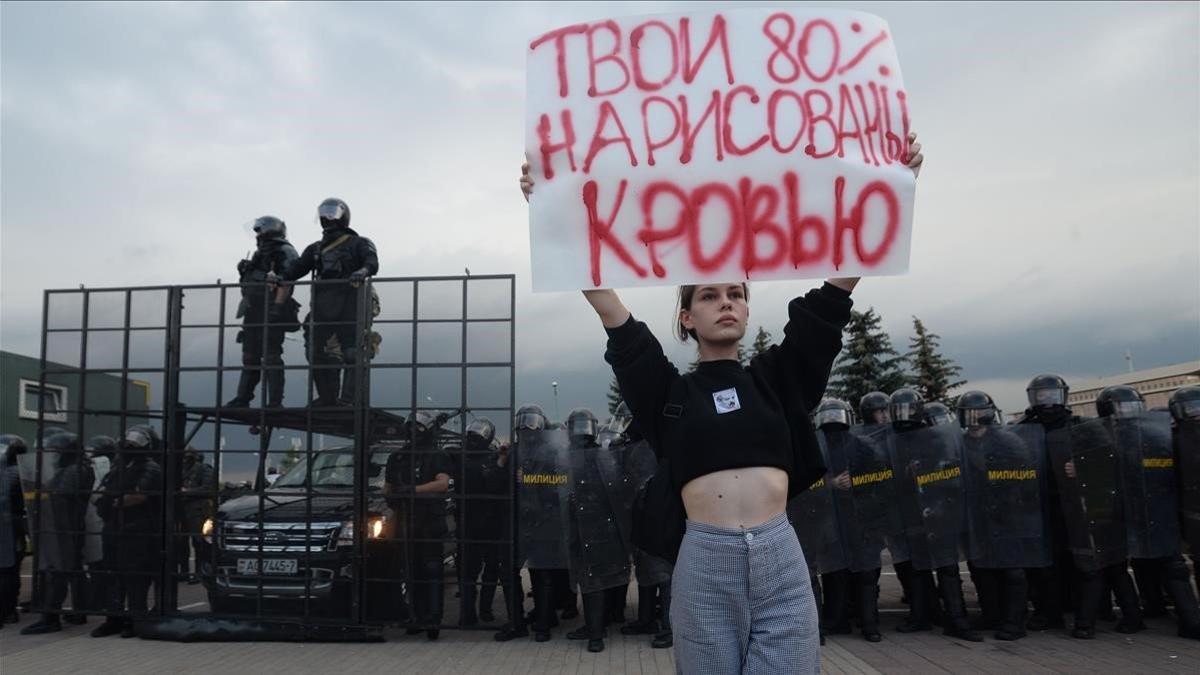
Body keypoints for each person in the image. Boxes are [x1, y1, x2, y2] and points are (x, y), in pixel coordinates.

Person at [272, 198, 378, 406]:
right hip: (323, 304)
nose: (327, 218)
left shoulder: (360, 243)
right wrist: (279, 276)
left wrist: (361, 271)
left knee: (352, 351)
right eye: (324, 213)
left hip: (351, 300)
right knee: (313, 350)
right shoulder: (315, 249)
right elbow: (297, 269)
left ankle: (350, 399)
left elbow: (372, 263)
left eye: (331, 213)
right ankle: (327, 398)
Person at [1016, 374, 1079, 632]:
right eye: (1041, 395)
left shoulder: (1076, 426)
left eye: (1052, 394)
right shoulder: (1024, 427)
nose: (1047, 400)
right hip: (1036, 502)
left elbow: (1100, 456)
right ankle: (1046, 611)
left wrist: (1081, 467)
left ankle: (1077, 605)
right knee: (1042, 563)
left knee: (1073, 558)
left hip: (1071, 502)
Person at [90, 426, 163, 639]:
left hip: (137, 529)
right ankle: (114, 619)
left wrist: (113, 502)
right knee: (113, 575)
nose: (128, 446)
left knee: (135, 578)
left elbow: (140, 495)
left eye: (133, 443)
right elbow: (103, 489)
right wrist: (106, 501)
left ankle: (135, 620)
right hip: (114, 527)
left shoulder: (150, 467)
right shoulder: (119, 465)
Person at [385, 411, 452, 640]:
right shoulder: (398, 457)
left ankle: (432, 620)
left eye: (420, 427)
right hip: (407, 520)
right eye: (412, 427)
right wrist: (396, 497)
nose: (415, 431)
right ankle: (416, 616)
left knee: (432, 571)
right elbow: (388, 488)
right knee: (411, 571)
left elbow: (442, 484)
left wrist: (413, 491)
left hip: (430, 521)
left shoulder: (437, 455)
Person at [21, 432, 95, 634]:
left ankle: (50, 618)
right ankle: (79, 612)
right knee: (72, 570)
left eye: (56, 452)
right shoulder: (75, 468)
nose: (53, 457)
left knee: (57, 572)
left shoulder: (75, 470)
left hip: (63, 526)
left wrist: (39, 494)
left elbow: (61, 497)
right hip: (65, 525)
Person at [226, 215, 299, 408]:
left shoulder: (285, 250)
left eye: (260, 230)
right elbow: (250, 283)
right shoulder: (260, 254)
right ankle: (243, 398)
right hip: (253, 310)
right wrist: (245, 271)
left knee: (271, 356)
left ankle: (274, 402)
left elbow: (288, 280)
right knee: (250, 356)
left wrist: (277, 307)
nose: (258, 234)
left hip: (272, 308)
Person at [0, 435, 28, 628]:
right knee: (10, 570)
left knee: (7, 571)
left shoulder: (12, 473)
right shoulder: (23, 472)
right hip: (13, 525)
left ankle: (8, 610)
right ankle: (8, 610)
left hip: (10, 524)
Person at [177, 449, 215, 585]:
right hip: (182, 509)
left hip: (198, 510)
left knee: (199, 542)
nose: (185, 460)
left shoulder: (204, 469)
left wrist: (188, 492)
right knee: (181, 542)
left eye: (188, 457)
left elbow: (209, 488)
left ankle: (199, 572)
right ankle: (184, 571)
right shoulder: (180, 469)